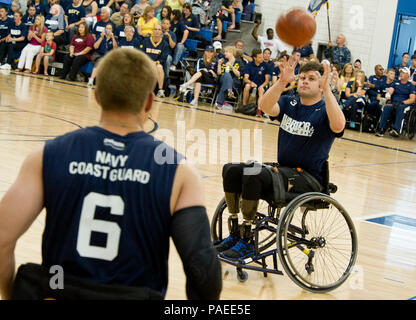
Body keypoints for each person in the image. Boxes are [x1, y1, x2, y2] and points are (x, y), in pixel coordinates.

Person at [0, 47, 222, 300]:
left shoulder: (45, 155)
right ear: (149, 101)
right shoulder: (180, 173)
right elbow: (202, 269)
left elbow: (1, 240)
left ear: (97, 95)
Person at [214, 58, 346, 260]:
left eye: (311, 79)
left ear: (321, 85)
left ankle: (248, 241)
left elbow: (338, 126)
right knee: (231, 169)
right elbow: (265, 106)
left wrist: (328, 91)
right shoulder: (289, 102)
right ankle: (235, 232)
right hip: (282, 171)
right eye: (302, 77)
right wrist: (281, 82)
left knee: (254, 172)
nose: (304, 81)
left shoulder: (325, 109)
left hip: (307, 179)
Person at [375, 67, 416, 137]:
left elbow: (412, 99)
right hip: (394, 102)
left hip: (404, 103)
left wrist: (403, 102)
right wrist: (388, 97)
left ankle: (396, 129)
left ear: (407, 75)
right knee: (387, 107)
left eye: (403, 73)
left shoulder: (411, 86)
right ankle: (382, 128)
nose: (401, 74)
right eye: (401, 72)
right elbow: (390, 91)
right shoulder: (396, 83)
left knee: (400, 108)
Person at [140, 23, 169, 97]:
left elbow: (164, 58)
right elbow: (141, 54)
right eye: (155, 29)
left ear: (161, 32)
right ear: (153, 31)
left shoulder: (164, 44)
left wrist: (155, 62)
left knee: (159, 67)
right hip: (146, 63)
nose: (157, 31)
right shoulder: (146, 41)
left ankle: (160, 90)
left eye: (159, 30)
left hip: (156, 64)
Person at [242, 48, 270, 116]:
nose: (262, 59)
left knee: (261, 90)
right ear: (254, 58)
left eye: (262, 57)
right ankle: (244, 107)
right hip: (252, 84)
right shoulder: (249, 65)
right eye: (260, 57)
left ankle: (259, 111)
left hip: (261, 85)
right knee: (247, 86)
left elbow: (267, 81)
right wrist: (250, 82)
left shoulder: (266, 65)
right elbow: (245, 78)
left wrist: (262, 86)